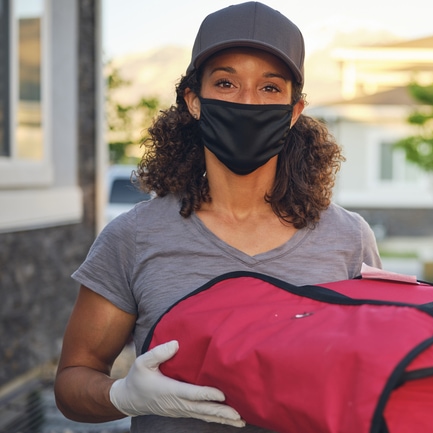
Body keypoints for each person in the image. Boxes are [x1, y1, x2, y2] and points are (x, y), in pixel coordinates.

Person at [54, 2, 382, 432]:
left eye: (269, 88)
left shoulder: (347, 238)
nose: (248, 101)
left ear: (294, 111)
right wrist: (122, 395)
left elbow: (378, 368)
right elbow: (71, 383)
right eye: (226, 83)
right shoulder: (134, 237)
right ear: (194, 101)